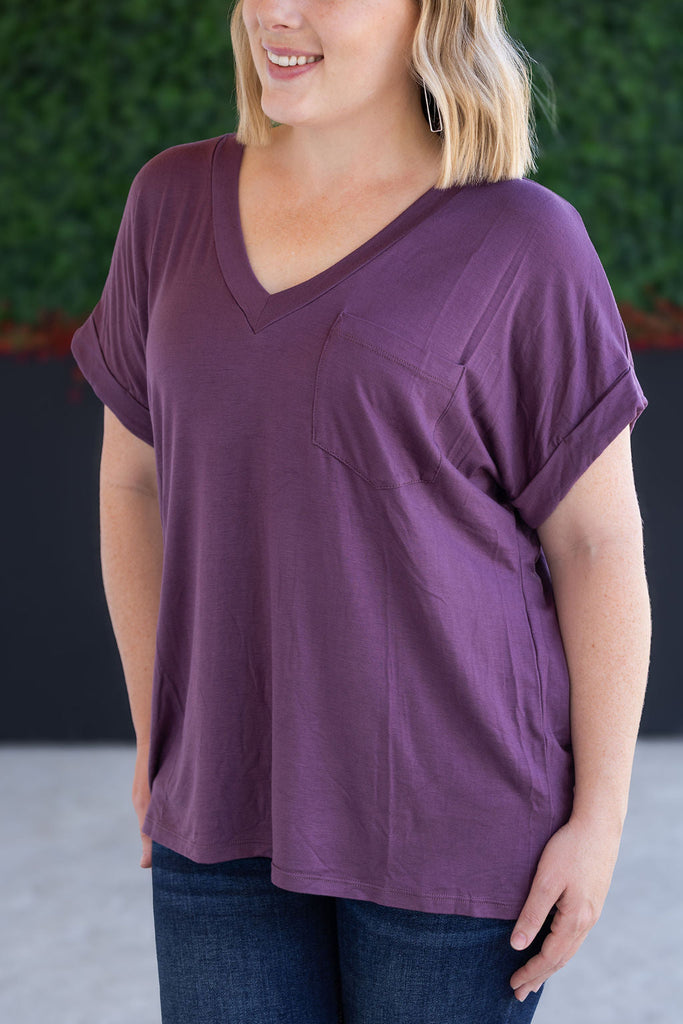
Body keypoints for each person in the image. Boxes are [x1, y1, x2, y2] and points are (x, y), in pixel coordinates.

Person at [70, 0, 651, 1021]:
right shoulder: (169, 202)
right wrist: (161, 733)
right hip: (221, 816)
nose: (275, 12)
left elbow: (596, 547)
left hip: (454, 840)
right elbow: (132, 482)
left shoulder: (523, 241)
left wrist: (597, 823)